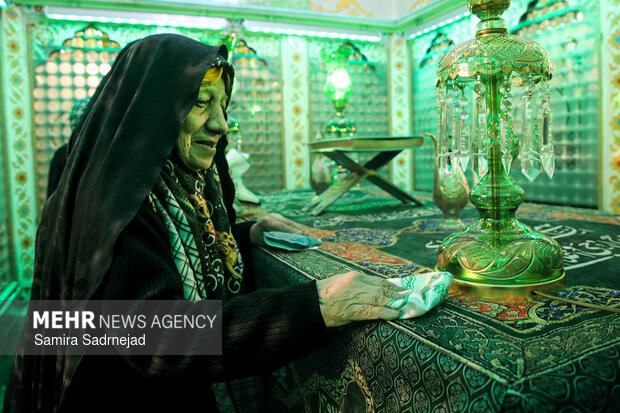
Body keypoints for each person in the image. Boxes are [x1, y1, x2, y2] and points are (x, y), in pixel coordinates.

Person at [3, 34, 406, 412]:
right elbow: (154, 336)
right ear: (154, 110)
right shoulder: (115, 204)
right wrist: (316, 305)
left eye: (222, 105)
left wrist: (247, 233)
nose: (221, 124)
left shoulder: (181, 183)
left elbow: (182, 251)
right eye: (200, 103)